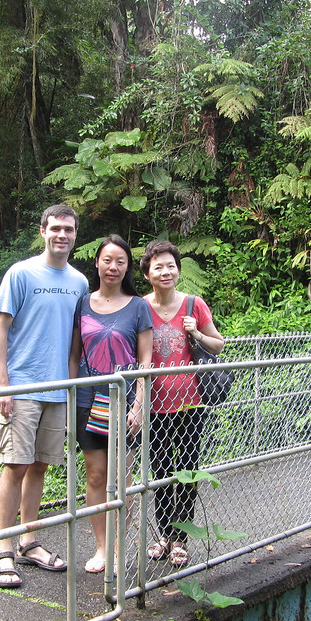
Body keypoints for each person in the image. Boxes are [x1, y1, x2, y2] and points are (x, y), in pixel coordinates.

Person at [0, 204, 90, 588]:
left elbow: (75, 343)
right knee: (14, 464)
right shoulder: (21, 273)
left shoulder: (80, 282)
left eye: (68, 229)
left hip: (58, 390)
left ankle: (29, 541)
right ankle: (4, 551)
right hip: (22, 387)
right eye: (55, 228)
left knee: (40, 466)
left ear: (76, 235)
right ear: (43, 230)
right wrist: (4, 384)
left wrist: (68, 387)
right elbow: (1, 327)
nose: (61, 235)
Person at [69, 235, 153, 574]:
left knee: (122, 479)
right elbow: (74, 354)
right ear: (98, 263)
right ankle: (102, 548)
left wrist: (139, 406)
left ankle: (120, 548)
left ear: (127, 266)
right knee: (95, 475)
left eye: (120, 261)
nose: (113, 267)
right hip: (88, 400)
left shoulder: (138, 306)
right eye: (107, 260)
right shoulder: (83, 303)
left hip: (124, 401)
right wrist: (70, 395)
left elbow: (146, 361)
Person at [139, 239, 225, 568]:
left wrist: (197, 334)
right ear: (147, 273)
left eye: (171, 265)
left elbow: (218, 345)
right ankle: (164, 535)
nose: (166, 271)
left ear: (178, 270)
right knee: (160, 471)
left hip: (190, 403)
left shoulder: (193, 305)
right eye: (158, 266)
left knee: (187, 471)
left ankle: (181, 539)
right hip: (154, 404)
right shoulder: (140, 307)